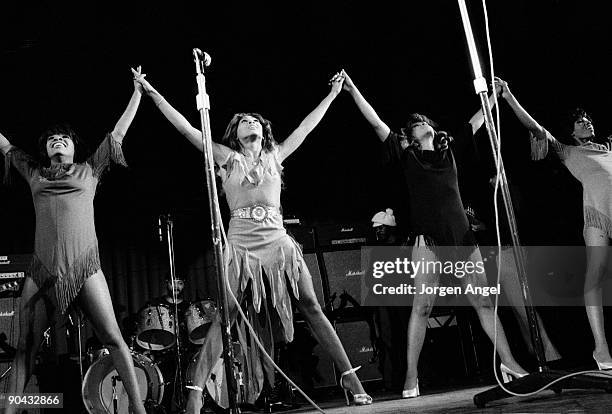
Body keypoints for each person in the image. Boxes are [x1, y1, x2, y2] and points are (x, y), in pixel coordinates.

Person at [135, 72, 372, 412]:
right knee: (226, 316)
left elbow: (307, 126)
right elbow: (187, 129)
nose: (250, 122)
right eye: (244, 120)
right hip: (242, 246)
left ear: (263, 131)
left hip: (277, 241)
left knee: (311, 304)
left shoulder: (276, 156)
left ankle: (349, 376)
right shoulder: (225, 158)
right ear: (237, 133)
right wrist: (155, 94)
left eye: (255, 120)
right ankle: (194, 392)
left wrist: (334, 94)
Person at [340, 70, 528, 398]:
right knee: (423, 307)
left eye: (426, 120)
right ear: (410, 135)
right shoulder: (407, 155)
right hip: (428, 242)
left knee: (484, 303)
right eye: (417, 123)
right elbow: (376, 123)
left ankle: (509, 363)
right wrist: (354, 89)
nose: (424, 123)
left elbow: (479, 119)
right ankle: (411, 377)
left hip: (463, 239)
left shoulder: (449, 149)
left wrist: (495, 96)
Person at [0, 67, 146, 413]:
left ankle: (139, 410)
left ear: (73, 147)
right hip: (42, 270)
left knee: (113, 339)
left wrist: (138, 92)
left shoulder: (89, 169)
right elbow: (5, 144)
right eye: (51, 139)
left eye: (63, 138)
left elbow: (118, 133)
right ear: (45, 149)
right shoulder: (33, 171)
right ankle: (11, 410)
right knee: (25, 349)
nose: (57, 141)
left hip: (85, 266)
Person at [496, 77, 612, 370]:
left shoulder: (608, 145)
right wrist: (508, 95)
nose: (586, 122)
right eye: (579, 121)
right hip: (597, 215)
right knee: (595, 278)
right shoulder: (567, 151)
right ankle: (601, 348)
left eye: (587, 119)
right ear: (570, 131)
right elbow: (535, 128)